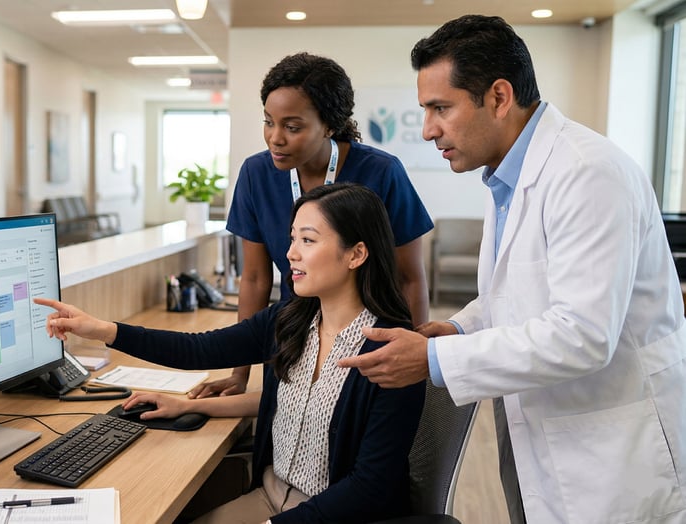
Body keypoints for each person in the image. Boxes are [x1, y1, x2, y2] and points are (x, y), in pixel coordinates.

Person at [338, 14, 686, 523]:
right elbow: (514, 295)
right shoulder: (505, 177)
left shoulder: (586, 173)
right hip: (543, 437)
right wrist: (458, 327)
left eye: (440, 108)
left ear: (499, 97)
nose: (428, 129)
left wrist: (436, 359)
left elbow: (583, 334)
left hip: (610, 454)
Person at [35, 183, 425, 523]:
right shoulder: (289, 322)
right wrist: (105, 331)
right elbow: (199, 349)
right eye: (292, 239)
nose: (291, 253)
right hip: (270, 497)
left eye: (308, 240)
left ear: (356, 254)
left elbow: (372, 486)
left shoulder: (391, 351)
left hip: (332, 516)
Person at [191, 52, 433, 399]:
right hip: (294, 338)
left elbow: (408, 276)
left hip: (368, 342)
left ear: (330, 125)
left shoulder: (381, 172)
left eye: (292, 127)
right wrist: (239, 373)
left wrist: (414, 357)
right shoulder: (256, 174)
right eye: (268, 121)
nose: (275, 137)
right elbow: (257, 279)